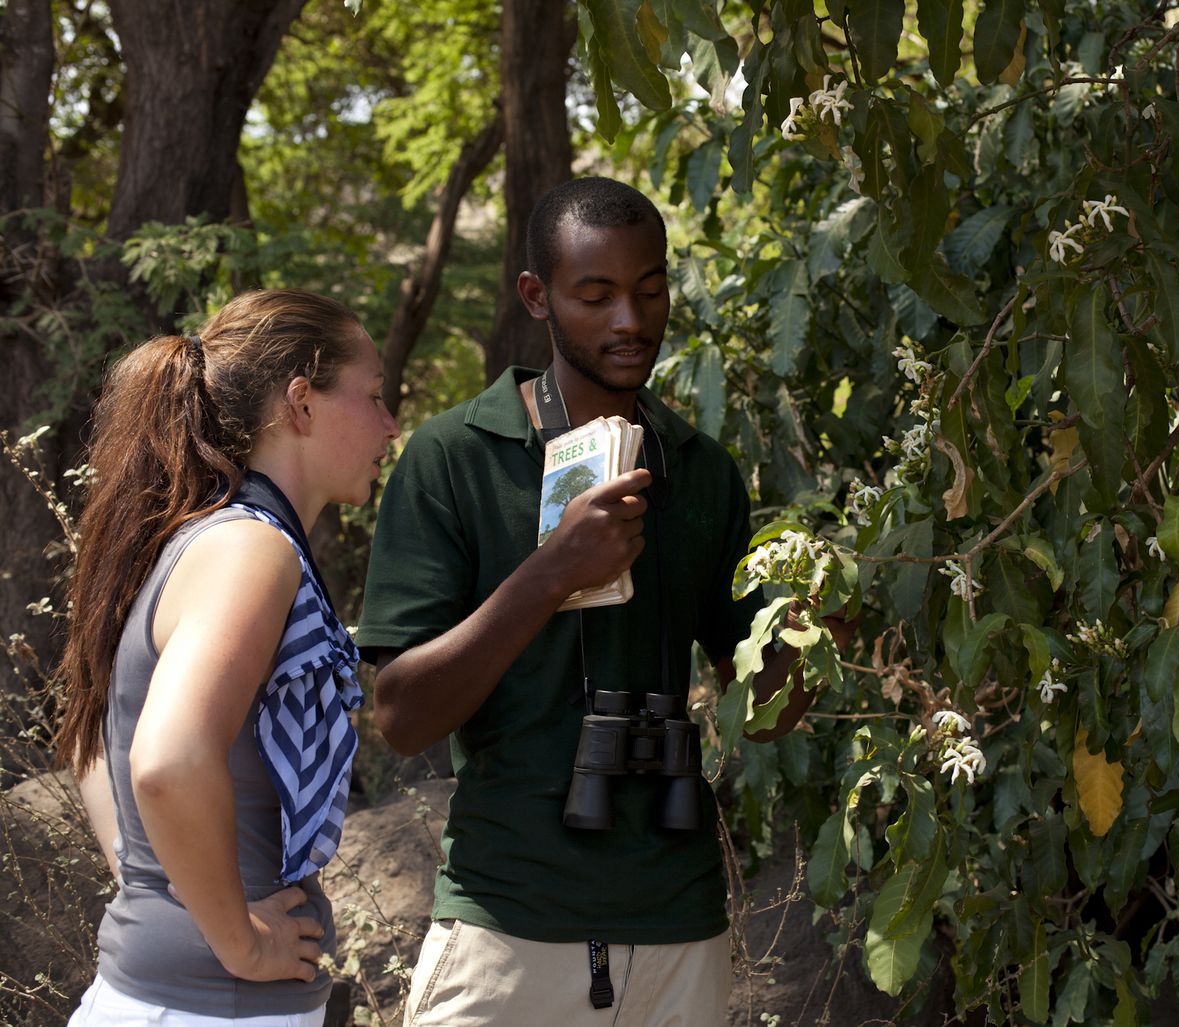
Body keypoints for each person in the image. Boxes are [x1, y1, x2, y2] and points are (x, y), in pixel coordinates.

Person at [356, 177, 843, 1025]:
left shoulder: (700, 469)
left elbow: (763, 715)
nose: (631, 320)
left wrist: (825, 629)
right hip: (508, 923)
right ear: (536, 296)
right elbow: (400, 716)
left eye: (650, 290)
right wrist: (552, 572)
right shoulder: (453, 457)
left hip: (680, 929)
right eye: (597, 295)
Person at [53, 289, 401, 1025]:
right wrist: (239, 943)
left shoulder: (196, 535)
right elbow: (168, 761)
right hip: (211, 1009)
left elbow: (92, 742)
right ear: (301, 404)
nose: (391, 424)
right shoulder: (250, 549)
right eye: (374, 394)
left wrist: (160, 886)